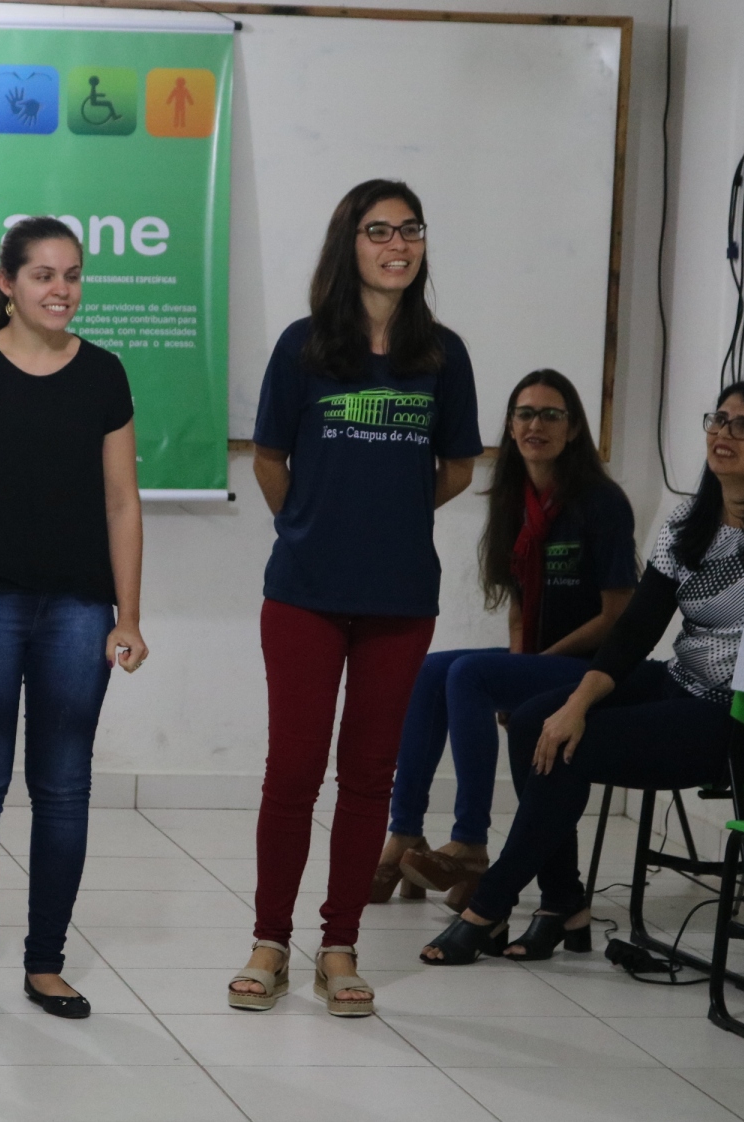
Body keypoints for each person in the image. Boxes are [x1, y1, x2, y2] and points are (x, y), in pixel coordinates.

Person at [421, 381, 744, 964]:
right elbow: (635, 629)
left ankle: (489, 906)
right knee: (538, 723)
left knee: (571, 749)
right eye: (718, 420)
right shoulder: (689, 522)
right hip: (679, 683)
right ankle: (562, 903)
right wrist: (577, 702)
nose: (723, 434)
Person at [228, 179, 483, 1015]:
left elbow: (456, 467)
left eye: (410, 229)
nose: (397, 244)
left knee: (370, 775)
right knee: (293, 772)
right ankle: (270, 941)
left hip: (400, 596)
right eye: (378, 231)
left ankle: (338, 945)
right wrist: (310, 523)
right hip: (302, 592)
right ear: (349, 244)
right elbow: (269, 458)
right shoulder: (303, 346)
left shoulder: (442, 354)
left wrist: (391, 518)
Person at [0, 216, 147, 1020]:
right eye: (43, 274)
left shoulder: (104, 374)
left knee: (65, 789)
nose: (61, 289)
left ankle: (46, 963)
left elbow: (122, 503)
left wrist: (129, 614)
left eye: (72, 275)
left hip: (79, 610)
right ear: (7, 283)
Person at [372, 370, 636, 911]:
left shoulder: (602, 502)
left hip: (592, 667)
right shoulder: (516, 500)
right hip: (540, 657)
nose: (536, 425)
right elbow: (518, 602)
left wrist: (533, 666)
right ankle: (405, 832)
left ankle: (470, 842)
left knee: (470, 674)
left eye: (551, 415)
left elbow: (618, 615)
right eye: (525, 414)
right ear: (512, 427)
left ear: (573, 429)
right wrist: (520, 664)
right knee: (432, 669)